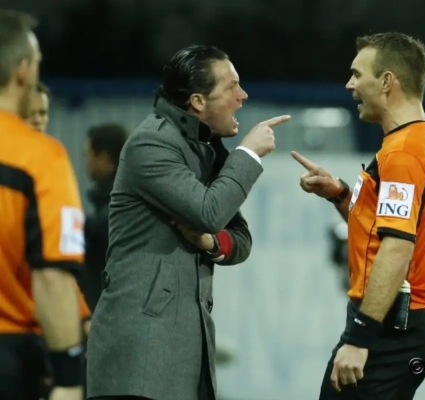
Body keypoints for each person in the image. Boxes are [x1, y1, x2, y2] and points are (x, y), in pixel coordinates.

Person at [85, 44, 291, 400]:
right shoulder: (153, 143)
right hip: (140, 358)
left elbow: (239, 238)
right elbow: (209, 212)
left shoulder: (203, 151)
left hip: (180, 354)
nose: (242, 96)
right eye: (231, 87)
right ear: (197, 101)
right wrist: (248, 154)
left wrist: (210, 242)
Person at [292, 32, 425, 400]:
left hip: (391, 326)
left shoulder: (403, 153)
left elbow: (397, 248)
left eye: (357, 74)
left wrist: (359, 337)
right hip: (406, 323)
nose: (349, 84)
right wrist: (340, 194)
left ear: (386, 82)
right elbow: (384, 228)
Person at [0, 9, 85, 400]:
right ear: (22, 71)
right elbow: (53, 276)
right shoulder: (40, 158)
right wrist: (68, 377)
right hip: (11, 356)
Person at [82, 123, 128, 312]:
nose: (86, 162)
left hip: (108, 311)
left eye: (88, 155)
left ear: (105, 159)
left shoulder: (116, 208)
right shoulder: (122, 198)